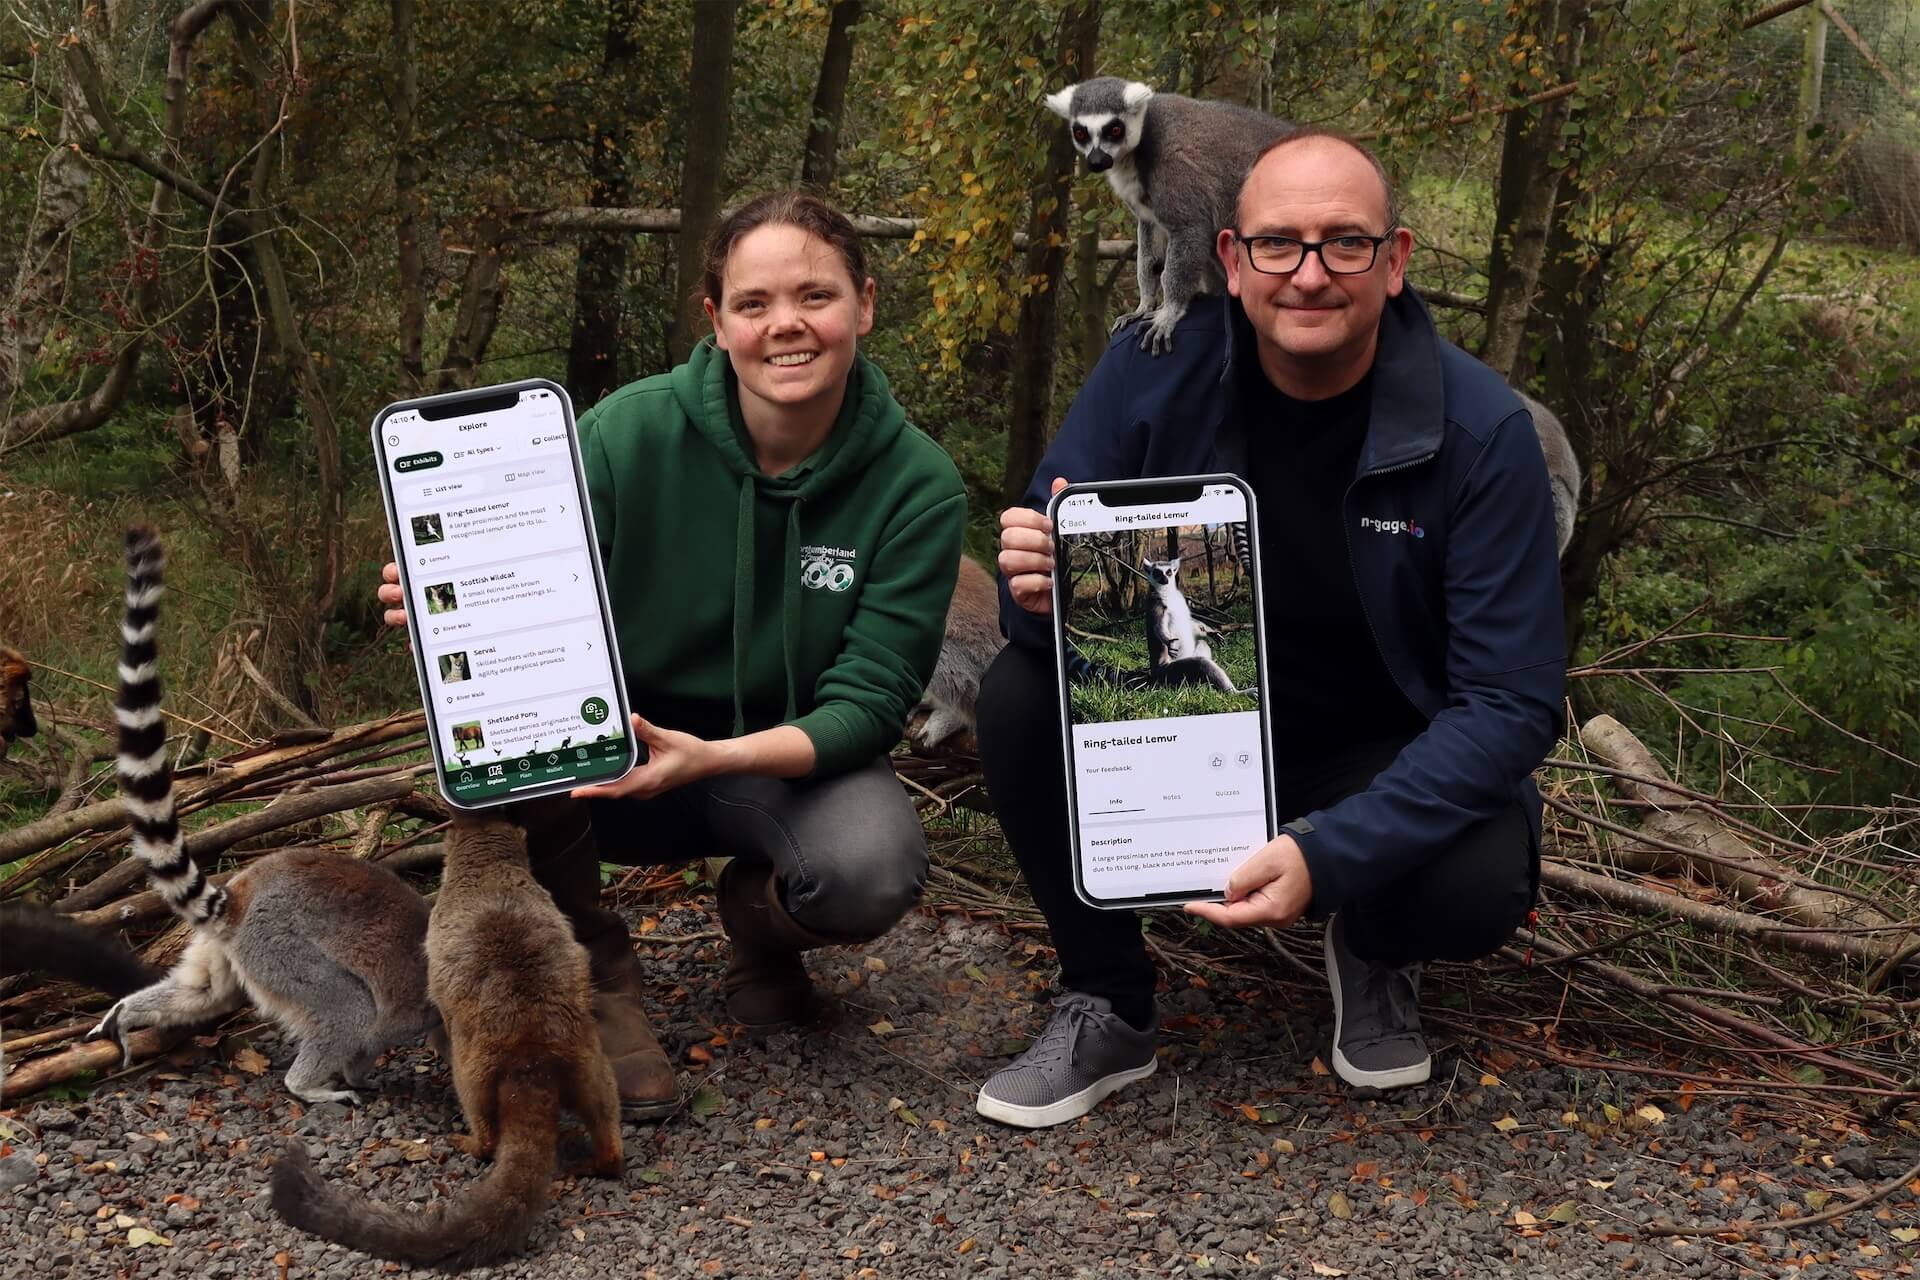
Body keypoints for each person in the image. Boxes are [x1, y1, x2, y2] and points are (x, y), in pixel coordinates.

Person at [973, 127, 1565, 1129]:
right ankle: (1107, 997)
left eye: (1346, 243)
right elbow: (1046, 622)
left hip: (1377, 753)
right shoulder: (1147, 375)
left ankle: (1373, 944)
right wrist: (1037, 595)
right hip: (1189, 725)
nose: (1311, 274)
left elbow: (1512, 701)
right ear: (1233, 260)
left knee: (1480, 876)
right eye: (1280, 244)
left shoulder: (1480, 429)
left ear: (1396, 260)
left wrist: (1332, 855)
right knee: (1020, 697)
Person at [381, 192, 967, 1118]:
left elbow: (871, 700)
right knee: (504, 730)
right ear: (716, 319)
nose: (787, 326)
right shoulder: (623, 436)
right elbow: (523, 587)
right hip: (607, 752)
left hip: (773, 762)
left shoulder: (917, 484)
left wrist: (719, 757)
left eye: (815, 296)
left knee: (868, 868)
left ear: (865, 303)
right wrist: (453, 604)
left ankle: (758, 925)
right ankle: (597, 982)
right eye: (754, 303)